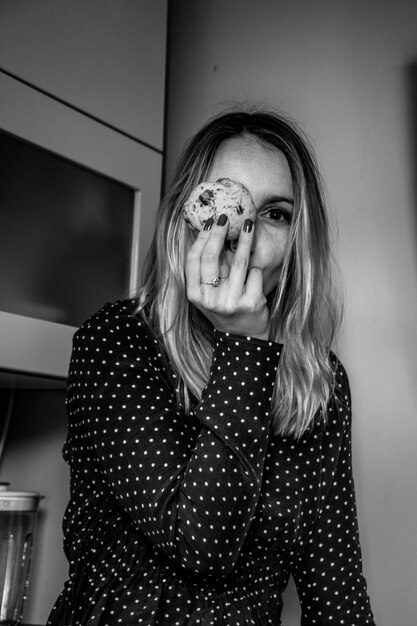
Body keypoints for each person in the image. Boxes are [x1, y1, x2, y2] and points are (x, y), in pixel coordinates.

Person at [47, 108, 376, 625]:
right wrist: (245, 344)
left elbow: (338, 597)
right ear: (188, 215)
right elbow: (200, 547)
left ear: (296, 241)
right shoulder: (117, 341)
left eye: (275, 214)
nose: (242, 234)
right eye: (225, 202)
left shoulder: (320, 383)